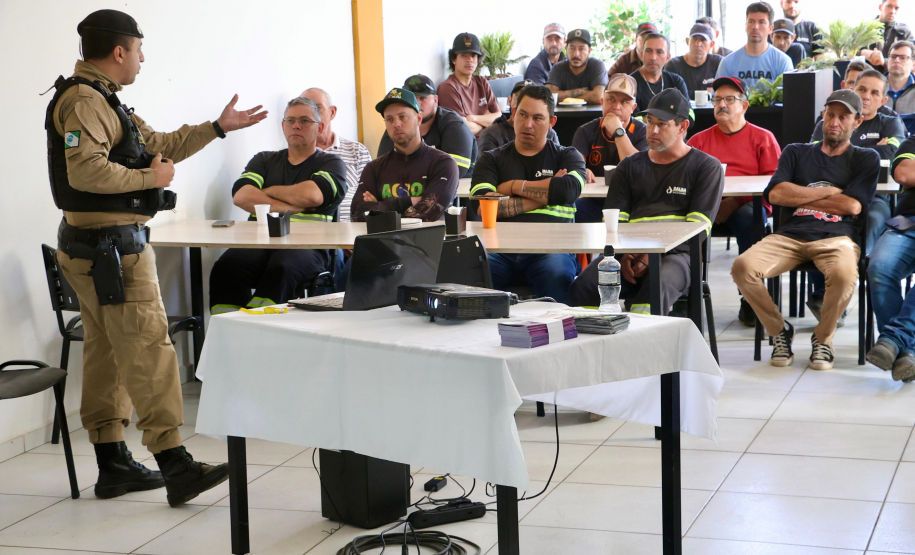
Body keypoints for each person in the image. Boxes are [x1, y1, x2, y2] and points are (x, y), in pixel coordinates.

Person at [50, 10, 266, 505]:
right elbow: (87, 174)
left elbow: (160, 144)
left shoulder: (103, 99)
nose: (144, 59)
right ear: (120, 51)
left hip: (91, 249)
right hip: (112, 252)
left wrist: (216, 127)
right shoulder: (85, 100)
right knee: (150, 351)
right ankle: (175, 463)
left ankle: (113, 464)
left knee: (105, 352)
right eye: (139, 49)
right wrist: (152, 180)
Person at [731, 90, 879, 370]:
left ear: (857, 122)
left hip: (837, 239)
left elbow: (852, 206)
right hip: (789, 235)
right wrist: (829, 192)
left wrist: (799, 194)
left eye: (843, 117)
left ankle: (823, 338)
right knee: (742, 267)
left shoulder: (864, 158)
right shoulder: (796, 152)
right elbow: (775, 195)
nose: (834, 122)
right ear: (823, 115)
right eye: (830, 114)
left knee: (846, 274)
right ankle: (778, 331)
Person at [568, 89, 724, 312]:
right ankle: (598, 342)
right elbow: (614, 224)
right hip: (628, 252)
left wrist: (653, 252)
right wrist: (625, 255)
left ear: (683, 126)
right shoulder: (629, 166)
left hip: (677, 256)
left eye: (662, 124)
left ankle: (640, 344)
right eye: (649, 122)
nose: (653, 130)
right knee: (583, 286)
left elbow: (696, 230)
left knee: (654, 289)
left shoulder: (706, 167)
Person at [209, 96, 346, 314]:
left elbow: (313, 196)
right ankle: (227, 327)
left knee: (282, 267)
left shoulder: (331, 163)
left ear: (320, 127)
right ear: (283, 125)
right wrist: (292, 206)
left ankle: (259, 325)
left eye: (304, 120)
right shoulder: (264, 160)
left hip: (308, 247)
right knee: (226, 267)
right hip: (259, 243)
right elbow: (242, 196)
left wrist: (268, 191)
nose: (296, 125)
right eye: (290, 120)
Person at [470, 85, 585, 303]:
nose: (528, 124)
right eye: (522, 114)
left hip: (553, 250)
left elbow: (568, 190)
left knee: (556, 275)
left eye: (538, 118)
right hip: (499, 251)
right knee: (473, 275)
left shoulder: (568, 156)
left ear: (552, 122)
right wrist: (548, 192)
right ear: (513, 114)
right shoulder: (491, 159)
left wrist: (510, 187)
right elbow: (485, 207)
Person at [806, 70, 904, 323]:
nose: (867, 96)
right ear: (853, 90)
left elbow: (893, 156)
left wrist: (846, 154)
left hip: (875, 199)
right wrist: (872, 151)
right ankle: (822, 294)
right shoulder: (828, 122)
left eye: (874, 92)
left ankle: (857, 277)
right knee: (815, 221)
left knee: (872, 219)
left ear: (883, 100)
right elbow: (816, 158)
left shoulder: (890, 122)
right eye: (862, 90)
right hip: (831, 196)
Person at [687, 77, 781, 326]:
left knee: (751, 218)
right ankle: (686, 295)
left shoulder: (763, 138)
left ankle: (751, 298)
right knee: (679, 222)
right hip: (706, 209)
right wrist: (715, 204)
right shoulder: (698, 141)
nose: (722, 104)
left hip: (747, 208)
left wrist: (734, 201)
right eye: (717, 99)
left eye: (730, 99)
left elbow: (775, 185)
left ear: (744, 106)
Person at [352, 88, 459, 222]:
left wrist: (377, 209)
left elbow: (426, 215)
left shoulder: (443, 163)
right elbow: (357, 214)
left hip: (428, 242)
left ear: (419, 119)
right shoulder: (374, 168)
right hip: (383, 242)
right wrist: (407, 202)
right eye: (389, 119)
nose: (396, 124)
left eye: (403, 117)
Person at [867, 135, 915, 381]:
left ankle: (894, 340)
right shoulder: (912, 142)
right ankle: (906, 354)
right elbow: (904, 174)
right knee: (879, 268)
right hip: (908, 221)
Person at [571, 74, 648, 223]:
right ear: (602, 102)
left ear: (633, 108)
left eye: (624, 102)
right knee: (573, 210)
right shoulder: (585, 131)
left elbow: (638, 170)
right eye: (611, 99)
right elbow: (573, 167)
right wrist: (582, 170)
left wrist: (618, 132)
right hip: (595, 202)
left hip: (632, 202)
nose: (616, 106)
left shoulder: (643, 132)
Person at [379, 74, 477, 178]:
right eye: (413, 98)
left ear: (435, 100)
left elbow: (455, 170)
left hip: (461, 188)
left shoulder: (454, 124)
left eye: (423, 98)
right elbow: (382, 168)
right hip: (410, 188)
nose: (417, 103)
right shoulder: (398, 126)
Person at [300, 88, 371, 222]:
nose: (311, 116)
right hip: (312, 232)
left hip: (354, 231)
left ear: (332, 112)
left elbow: (370, 198)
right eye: (306, 111)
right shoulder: (294, 155)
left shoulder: (357, 151)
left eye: (318, 108)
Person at [716, 1, 794, 91]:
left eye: (761, 22)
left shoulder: (783, 61)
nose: (755, 27)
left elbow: (788, 98)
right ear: (745, 25)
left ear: (770, 29)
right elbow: (718, 98)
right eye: (751, 21)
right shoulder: (727, 62)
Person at [438, 32, 501, 136]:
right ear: (454, 59)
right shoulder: (448, 88)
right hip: (471, 148)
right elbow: (463, 129)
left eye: (473, 55)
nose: (469, 60)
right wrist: (486, 120)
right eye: (463, 55)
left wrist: (473, 118)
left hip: (490, 143)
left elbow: (498, 117)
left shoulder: (482, 82)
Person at [479, 79, 559, 153]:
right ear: (509, 100)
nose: (525, 102)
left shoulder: (549, 134)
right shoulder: (492, 133)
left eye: (531, 97)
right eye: (519, 96)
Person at [546, 29, 609, 105]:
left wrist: (566, 98)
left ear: (589, 51)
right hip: (563, 116)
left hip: (592, 116)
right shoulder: (558, 68)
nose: (576, 54)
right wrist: (580, 91)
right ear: (566, 49)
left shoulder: (596, 66)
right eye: (572, 48)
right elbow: (549, 96)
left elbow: (599, 96)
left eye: (581, 49)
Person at [630, 34, 689, 112]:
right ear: (642, 55)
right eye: (648, 51)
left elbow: (689, 114)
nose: (653, 57)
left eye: (659, 52)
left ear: (668, 58)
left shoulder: (676, 81)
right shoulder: (630, 84)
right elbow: (632, 120)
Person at [664, 23, 723, 96]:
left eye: (703, 40)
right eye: (694, 39)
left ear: (711, 44)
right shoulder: (674, 65)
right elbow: (669, 95)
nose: (698, 44)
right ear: (687, 41)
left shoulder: (719, 63)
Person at [861, 0, 913, 73]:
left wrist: (884, 62)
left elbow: (911, 61)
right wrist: (862, 52)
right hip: (867, 77)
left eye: (896, 8)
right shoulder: (865, 29)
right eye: (889, 6)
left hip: (896, 79)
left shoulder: (904, 32)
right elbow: (848, 54)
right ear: (880, 7)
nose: (892, 11)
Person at [885, 41, 915, 116]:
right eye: (893, 57)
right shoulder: (875, 87)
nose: (896, 60)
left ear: (913, 64)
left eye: (903, 58)